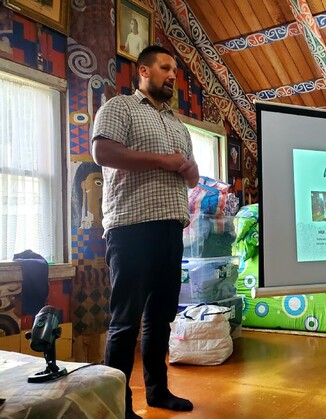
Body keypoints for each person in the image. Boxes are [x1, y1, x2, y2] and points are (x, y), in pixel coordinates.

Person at [91, 45, 199, 419]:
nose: (172, 76)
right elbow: (103, 153)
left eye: (175, 72)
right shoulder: (119, 108)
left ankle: (157, 391)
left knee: (160, 317)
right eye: (165, 68)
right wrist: (163, 161)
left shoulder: (178, 125)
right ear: (143, 71)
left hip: (170, 231)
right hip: (131, 230)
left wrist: (190, 172)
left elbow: (191, 175)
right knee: (125, 322)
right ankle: (116, 406)